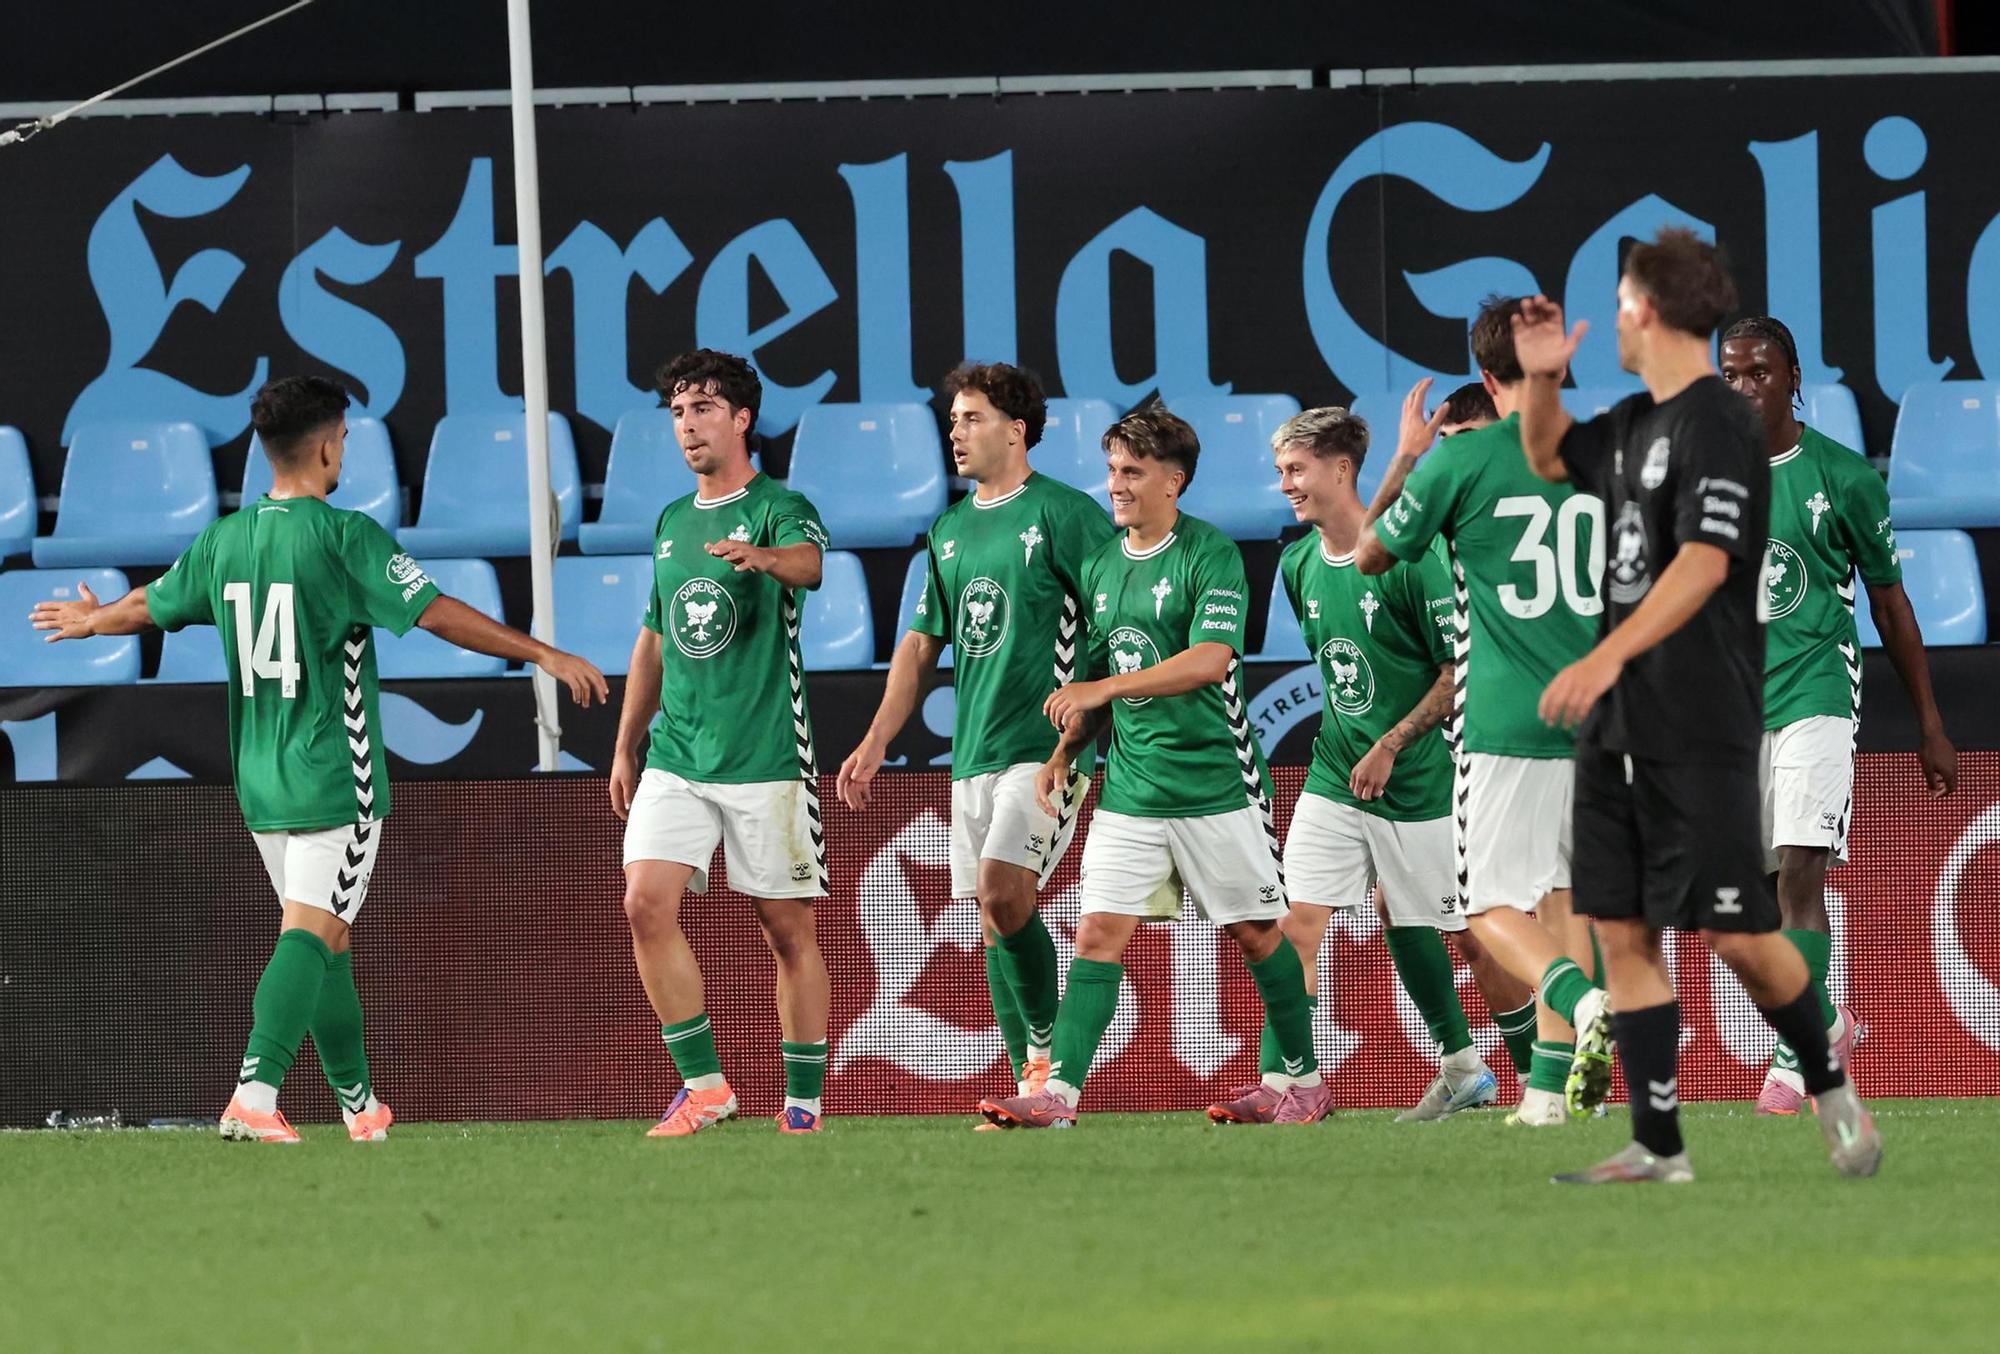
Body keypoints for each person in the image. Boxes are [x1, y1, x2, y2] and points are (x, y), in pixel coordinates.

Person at [31, 375, 609, 1144]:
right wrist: (542, 653)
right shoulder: (345, 538)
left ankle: (360, 1106)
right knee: (308, 935)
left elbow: (150, 604)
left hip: (261, 780)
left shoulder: (224, 539)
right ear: (331, 445)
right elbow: (437, 612)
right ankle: (254, 1092)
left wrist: (94, 619)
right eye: (344, 438)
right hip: (338, 779)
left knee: (328, 938)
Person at [1514, 228, 1881, 1183]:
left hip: (1705, 718)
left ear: (1649, 310)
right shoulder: (1633, 420)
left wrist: (1607, 654)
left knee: (1739, 935)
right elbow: (1547, 454)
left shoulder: (1720, 422)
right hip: (1619, 724)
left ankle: (1828, 1079)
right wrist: (1543, 378)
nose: (1613, 320)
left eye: (1620, 303)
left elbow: (1706, 562)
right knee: (1624, 931)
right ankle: (1659, 1144)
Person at [976, 406, 1324, 1127]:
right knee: (1097, 935)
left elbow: (1210, 660)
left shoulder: (1211, 553)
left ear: (1174, 481)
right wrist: (1064, 753)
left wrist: (1101, 688)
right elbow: (1093, 683)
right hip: (1132, 789)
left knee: (1258, 936)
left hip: (1215, 783)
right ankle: (1058, 1097)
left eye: (1132, 471)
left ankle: (1305, 1081)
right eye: (1111, 470)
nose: (1116, 485)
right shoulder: (1101, 565)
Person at [1206, 406, 1536, 1128]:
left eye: (1297, 469)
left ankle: (1537, 1077)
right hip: (1335, 775)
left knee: (1470, 938)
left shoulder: (1412, 560)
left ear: (1342, 469)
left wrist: (1392, 743)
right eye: (1280, 470)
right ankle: (1289, 1083)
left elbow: (1457, 670)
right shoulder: (1296, 565)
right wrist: (1361, 747)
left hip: (1421, 784)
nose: (1285, 484)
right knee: (1296, 923)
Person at [1358, 297, 1612, 1127]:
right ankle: (1547, 1095)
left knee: (1488, 907)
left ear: (1484, 376)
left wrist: (1407, 455)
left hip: (1506, 720)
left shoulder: (1461, 460)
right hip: (1603, 720)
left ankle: (1583, 1003)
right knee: (1565, 901)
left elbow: (1369, 556)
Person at [838, 362, 1114, 1121]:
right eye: (953, 419)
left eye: (972, 418)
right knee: (993, 918)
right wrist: (877, 738)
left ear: (1016, 430)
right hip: (974, 752)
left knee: (1002, 891)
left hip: (1045, 749)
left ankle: (1052, 1061)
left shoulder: (1065, 514)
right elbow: (920, 645)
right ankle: (1033, 1083)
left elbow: (1114, 619)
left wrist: (1086, 725)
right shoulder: (950, 530)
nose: (955, 432)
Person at [1719, 315, 1957, 1113]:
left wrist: (1930, 723)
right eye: (1731, 375)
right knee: (1751, 905)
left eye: (1759, 373)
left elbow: (1890, 604)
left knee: (1799, 867)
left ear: (1792, 378)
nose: (1745, 388)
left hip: (1817, 690)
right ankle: (1824, 1022)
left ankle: (1795, 1058)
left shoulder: (1844, 477)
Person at [609, 350, 834, 1137]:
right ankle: (706, 1088)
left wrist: (763, 558)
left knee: (786, 932)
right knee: (644, 902)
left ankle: (803, 1102)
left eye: (703, 408)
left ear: (742, 418)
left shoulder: (780, 506)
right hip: (678, 753)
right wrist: (626, 744)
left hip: (766, 754)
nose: (687, 425)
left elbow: (809, 566)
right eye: (677, 412)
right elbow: (654, 638)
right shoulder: (673, 521)